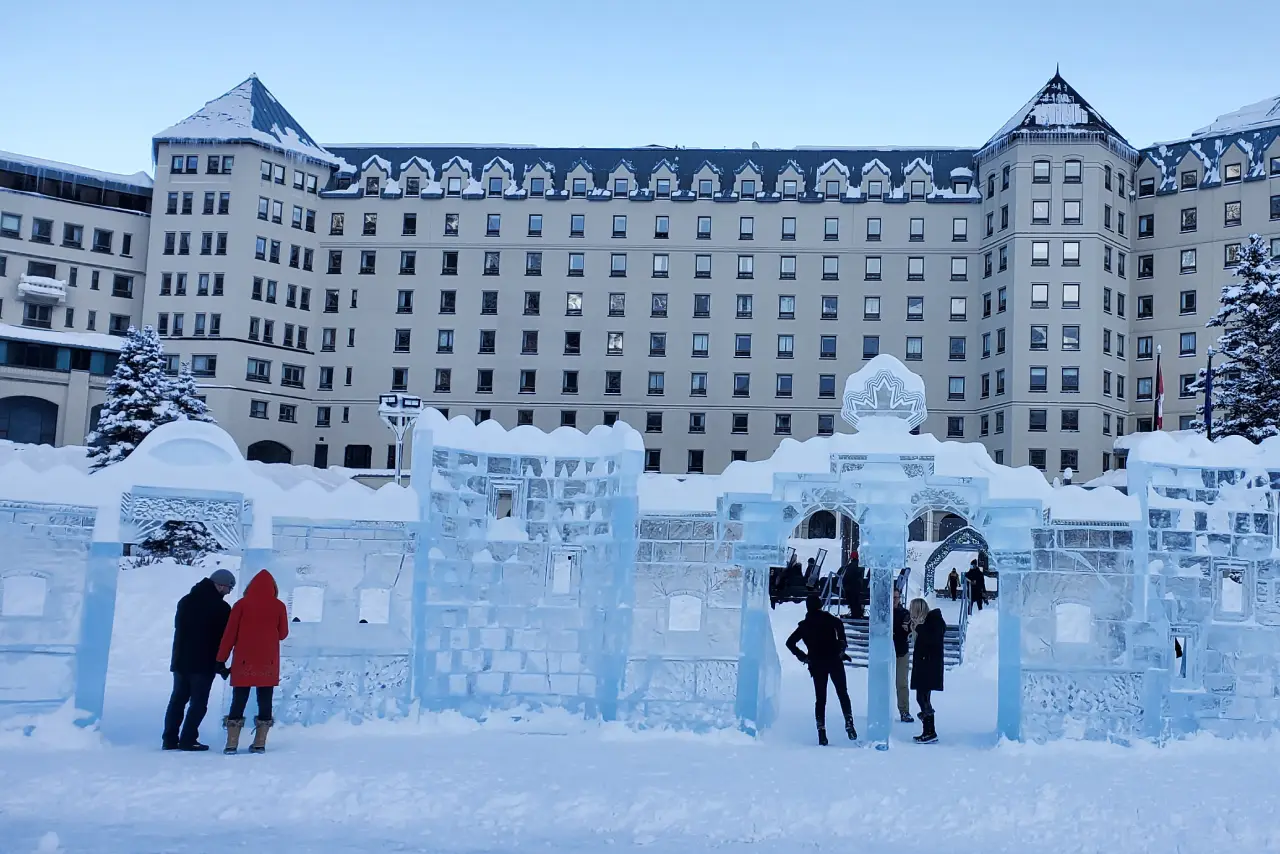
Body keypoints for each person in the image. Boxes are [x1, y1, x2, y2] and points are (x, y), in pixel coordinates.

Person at [216, 569, 289, 754]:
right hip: (268, 662)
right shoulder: (279, 606)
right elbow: (283, 634)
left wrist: (221, 659)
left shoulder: (241, 605)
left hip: (243, 661)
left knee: (239, 699)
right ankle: (260, 743)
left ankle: (231, 744)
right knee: (265, 700)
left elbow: (229, 635)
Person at [162, 569, 236, 751]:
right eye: (229, 588)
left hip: (180, 660)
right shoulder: (221, 608)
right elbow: (222, 639)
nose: (228, 593)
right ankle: (188, 740)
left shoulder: (185, 601)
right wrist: (221, 664)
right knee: (198, 703)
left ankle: (169, 739)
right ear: (220, 585)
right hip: (203, 663)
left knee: (177, 701)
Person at [786, 594, 856, 745]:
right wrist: (841, 645)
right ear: (820, 605)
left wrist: (803, 657)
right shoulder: (829, 619)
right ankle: (849, 721)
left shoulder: (804, 626)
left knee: (820, 699)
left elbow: (790, 643)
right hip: (834, 660)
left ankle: (821, 731)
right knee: (842, 693)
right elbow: (839, 625)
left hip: (816, 663)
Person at [909, 598, 945, 744]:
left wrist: (918, 628)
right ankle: (928, 729)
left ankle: (930, 731)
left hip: (929, 666)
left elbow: (932, 639)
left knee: (922, 697)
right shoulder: (929, 623)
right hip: (925, 665)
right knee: (923, 697)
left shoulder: (934, 621)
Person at [892, 588, 914, 723]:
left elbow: (910, 629)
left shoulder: (904, 613)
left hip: (901, 651)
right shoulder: (882, 612)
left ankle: (904, 711)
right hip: (886, 651)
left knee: (902, 683)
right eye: (893, 597)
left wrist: (908, 628)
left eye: (896, 597)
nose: (894, 600)